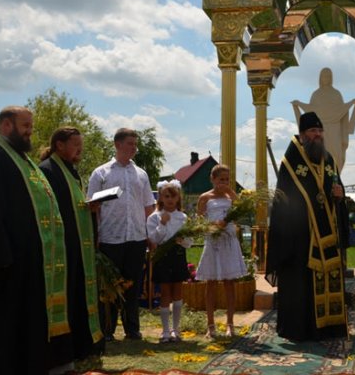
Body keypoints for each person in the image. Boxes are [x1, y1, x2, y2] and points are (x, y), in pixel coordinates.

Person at [0, 106, 69, 374]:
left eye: (31, 125)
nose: (30, 131)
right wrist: (1, 265)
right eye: (25, 125)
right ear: (6, 126)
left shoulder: (23, 161)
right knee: (0, 340)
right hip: (6, 269)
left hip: (29, 266)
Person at [265, 111, 348, 341]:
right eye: (313, 131)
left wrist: (340, 196)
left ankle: (329, 327)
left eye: (320, 131)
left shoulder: (328, 160)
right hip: (299, 238)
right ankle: (301, 329)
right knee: (300, 286)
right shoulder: (291, 163)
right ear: (302, 135)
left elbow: (336, 190)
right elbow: (284, 202)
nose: (318, 135)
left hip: (327, 234)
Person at [39, 127, 103, 369]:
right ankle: (64, 353)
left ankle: (79, 349)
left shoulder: (71, 172)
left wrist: (90, 208)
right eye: (75, 144)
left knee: (77, 296)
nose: (80, 149)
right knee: (67, 298)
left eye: (81, 145)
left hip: (77, 246)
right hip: (60, 249)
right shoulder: (47, 171)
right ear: (59, 145)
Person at [87, 128, 156, 341]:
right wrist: (95, 235)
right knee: (109, 287)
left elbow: (148, 207)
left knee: (133, 286)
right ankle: (107, 330)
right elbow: (92, 206)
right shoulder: (101, 173)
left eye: (135, 144)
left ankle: (132, 329)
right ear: (117, 145)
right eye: (130, 144)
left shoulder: (141, 174)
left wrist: (149, 234)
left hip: (135, 237)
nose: (134, 148)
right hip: (110, 237)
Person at [195, 164, 247, 339]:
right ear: (213, 179)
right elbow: (198, 221)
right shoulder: (205, 197)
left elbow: (241, 211)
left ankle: (230, 324)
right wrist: (211, 227)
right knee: (210, 283)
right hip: (213, 242)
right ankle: (210, 325)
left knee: (229, 282)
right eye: (220, 179)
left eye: (226, 179)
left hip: (229, 241)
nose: (224, 182)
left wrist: (232, 194)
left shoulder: (231, 195)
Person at [146, 180, 192, 343]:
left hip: (178, 256)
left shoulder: (183, 217)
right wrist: (163, 224)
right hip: (162, 257)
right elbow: (154, 239)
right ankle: (165, 331)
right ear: (161, 198)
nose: (170, 200)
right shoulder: (154, 217)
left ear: (178, 197)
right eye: (167, 196)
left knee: (177, 292)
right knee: (165, 292)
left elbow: (189, 241)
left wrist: (183, 241)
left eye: (173, 196)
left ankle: (176, 329)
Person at [291, 67, 355, 172]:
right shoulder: (316, 94)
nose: (326, 78)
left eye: (328, 76)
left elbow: (341, 110)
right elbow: (311, 111)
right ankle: (321, 176)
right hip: (319, 128)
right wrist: (299, 104)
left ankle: (335, 177)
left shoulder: (336, 94)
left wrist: (351, 104)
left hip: (334, 128)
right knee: (319, 152)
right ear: (320, 78)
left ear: (331, 78)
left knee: (336, 154)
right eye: (324, 76)